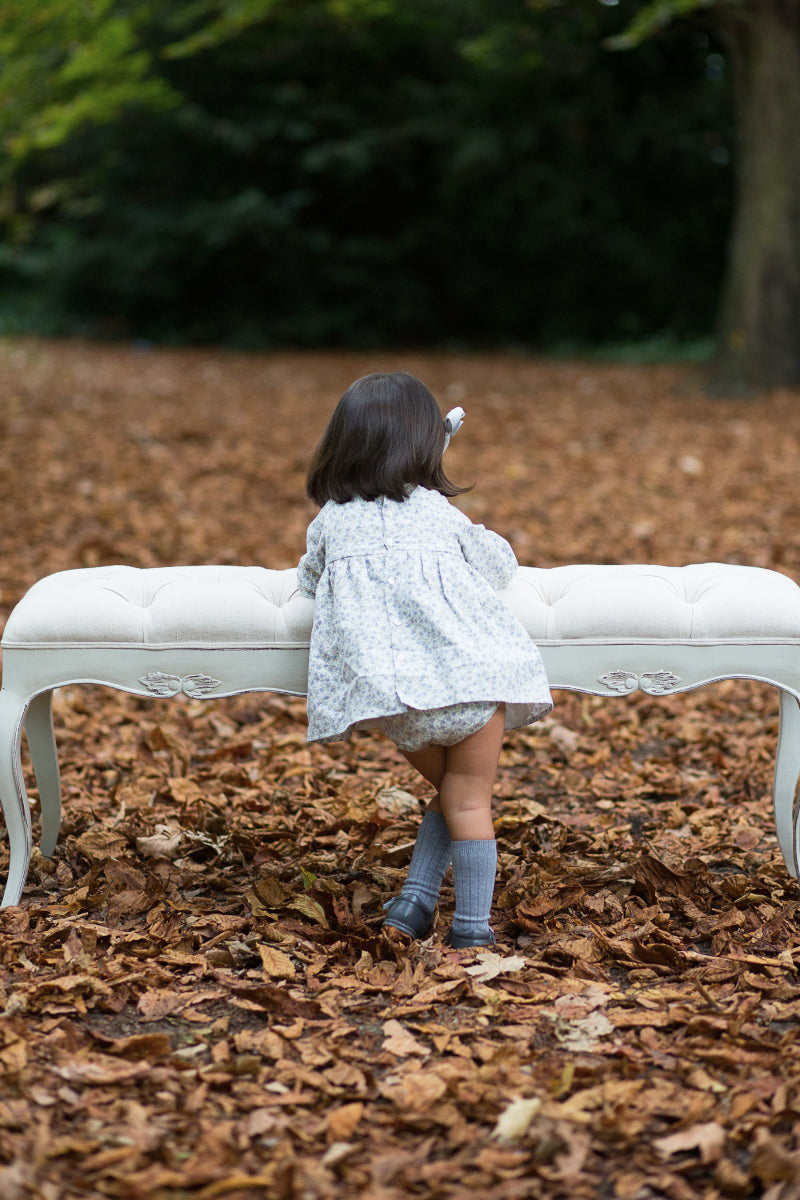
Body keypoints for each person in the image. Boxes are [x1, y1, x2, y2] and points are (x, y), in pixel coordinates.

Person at [296, 371, 552, 947]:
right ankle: (472, 930)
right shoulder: (439, 512)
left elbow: (309, 579)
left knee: (453, 794)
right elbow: (498, 566)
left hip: (398, 700)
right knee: (470, 800)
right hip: (474, 684)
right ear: (424, 446)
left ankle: (414, 902)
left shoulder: (332, 520)